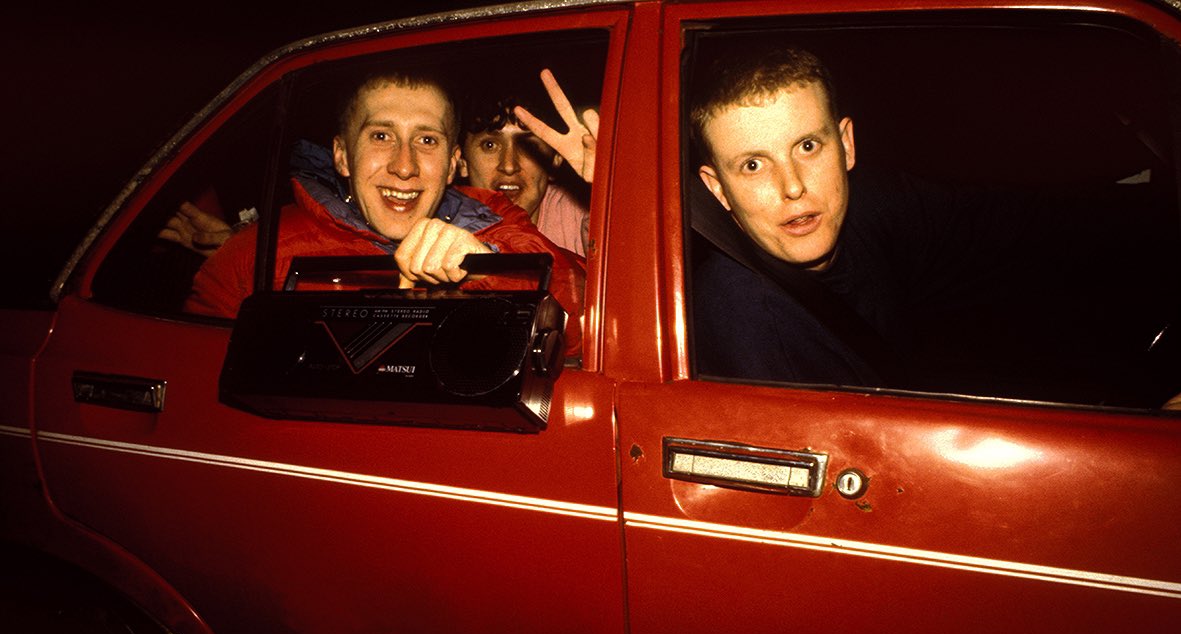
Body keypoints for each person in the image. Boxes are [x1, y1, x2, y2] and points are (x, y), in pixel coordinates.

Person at [686, 43, 1181, 408]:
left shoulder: (879, 207)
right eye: (753, 165)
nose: (792, 186)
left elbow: (1015, 221)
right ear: (717, 189)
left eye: (808, 147)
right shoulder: (744, 324)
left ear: (847, 145)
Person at [183, 68, 584, 350]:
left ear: (451, 164)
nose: (404, 166)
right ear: (342, 156)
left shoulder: (493, 219)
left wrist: (487, 268)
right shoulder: (253, 257)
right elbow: (199, 395)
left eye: (426, 141)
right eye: (381, 136)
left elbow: (584, 317)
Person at [458, 77, 591, 258]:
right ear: (461, 161)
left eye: (527, 146)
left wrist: (609, 187)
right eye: (490, 145)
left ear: (556, 158)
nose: (509, 166)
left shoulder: (577, 216)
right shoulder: (444, 222)